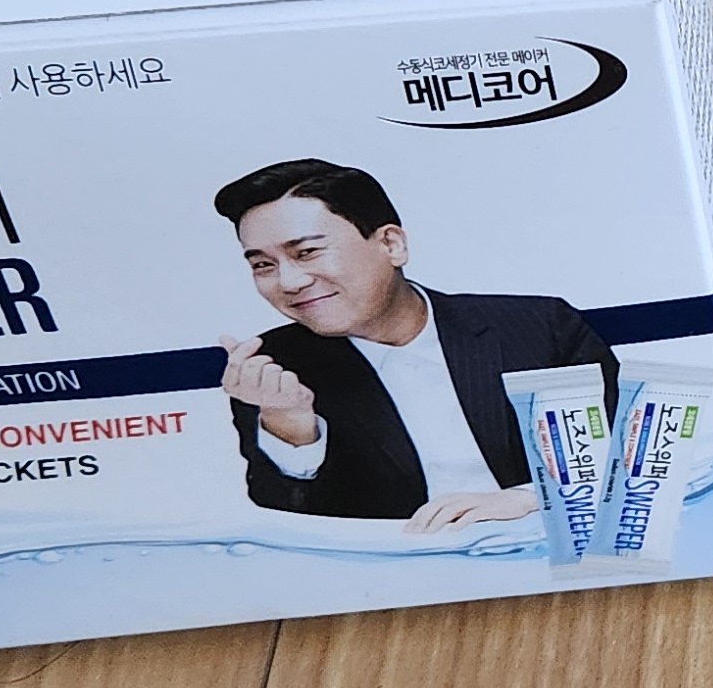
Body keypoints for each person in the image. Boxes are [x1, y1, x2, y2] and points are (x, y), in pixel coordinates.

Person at [211, 158, 618, 528]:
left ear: (391, 244)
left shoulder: (536, 327)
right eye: (263, 265)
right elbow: (295, 524)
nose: (289, 282)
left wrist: (528, 500)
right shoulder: (273, 369)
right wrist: (292, 430)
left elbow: (619, 458)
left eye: (307, 252)